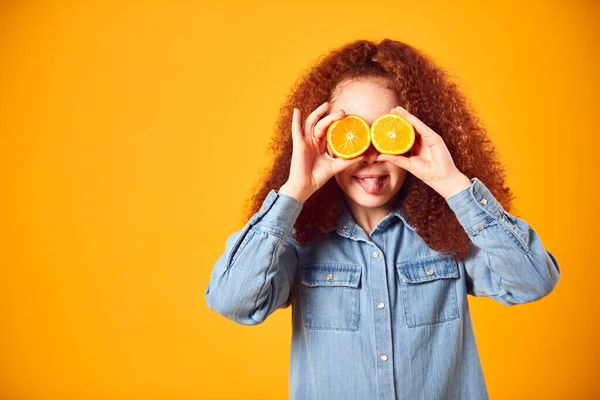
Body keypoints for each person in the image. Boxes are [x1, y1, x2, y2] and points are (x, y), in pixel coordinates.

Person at [204, 38, 561, 400]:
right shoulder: (298, 240)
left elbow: (532, 281)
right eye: (352, 134)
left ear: (417, 135)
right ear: (325, 140)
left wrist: (453, 183)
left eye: (387, 133)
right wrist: (295, 190)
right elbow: (232, 301)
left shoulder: (448, 233)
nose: (371, 155)